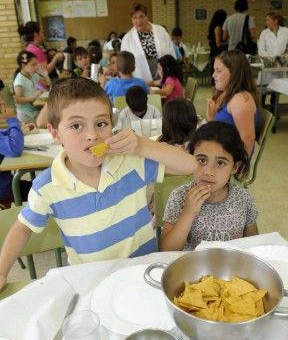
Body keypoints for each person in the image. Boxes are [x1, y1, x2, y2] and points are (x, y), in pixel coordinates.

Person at [0, 77, 197, 289]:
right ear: (56, 134)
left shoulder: (129, 163)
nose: (93, 135)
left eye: (101, 124)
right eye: (77, 125)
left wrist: (142, 145)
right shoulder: (47, 187)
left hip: (140, 276)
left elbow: (190, 165)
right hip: (91, 283)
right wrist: (2, 272)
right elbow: (23, 229)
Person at [160, 121, 258, 251]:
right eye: (202, 160)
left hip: (232, 268)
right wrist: (187, 213)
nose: (208, 172)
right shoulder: (179, 197)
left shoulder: (243, 198)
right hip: (192, 268)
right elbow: (166, 251)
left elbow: (254, 245)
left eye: (220, 163)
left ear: (235, 167)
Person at [207, 50, 259, 156]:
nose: (213, 75)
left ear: (234, 73)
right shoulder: (226, 93)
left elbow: (248, 140)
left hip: (230, 157)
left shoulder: (240, 100)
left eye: (218, 71)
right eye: (214, 70)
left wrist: (239, 167)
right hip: (220, 149)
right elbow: (220, 129)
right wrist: (212, 118)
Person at [121, 3, 175, 83]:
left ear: (147, 16)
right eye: (135, 17)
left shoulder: (161, 31)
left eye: (141, 16)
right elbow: (124, 64)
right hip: (141, 80)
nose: (138, 21)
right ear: (131, 19)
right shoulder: (127, 39)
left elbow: (171, 54)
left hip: (165, 78)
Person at [0, 92, 31, 209]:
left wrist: (16, 131)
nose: (4, 107)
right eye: (1, 105)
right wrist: (12, 120)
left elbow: (2, 134)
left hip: (6, 182)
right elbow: (15, 149)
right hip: (4, 190)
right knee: (44, 190)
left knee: (40, 184)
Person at [258, 12, 288, 104]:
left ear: (275, 21)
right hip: (268, 64)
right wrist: (271, 59)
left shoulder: (286, 31)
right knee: (264, 89)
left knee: (277, 90)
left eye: (268, 20)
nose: (266, 22)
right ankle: (262, 109)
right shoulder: (264, 33)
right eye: (266, 20)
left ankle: (274, 111)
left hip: (280, 64)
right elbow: (261, 50)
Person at [13, 51, 48, 123]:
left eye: (36, 64)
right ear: (23, 65)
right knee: (49, 119)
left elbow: (48, 83)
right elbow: (17, 100)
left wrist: (45, 74)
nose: (36, 67)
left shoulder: (32, 75)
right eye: (33, 64)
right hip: (26, 114)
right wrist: (34, 96)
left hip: (34, 109)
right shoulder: (20, 80)